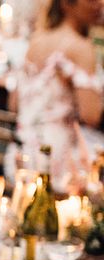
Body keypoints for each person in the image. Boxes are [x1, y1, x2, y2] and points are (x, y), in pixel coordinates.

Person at [11, 0, 104, 192]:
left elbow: (13, 104)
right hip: (59, 161)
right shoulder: (81, 47)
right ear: (67, 4)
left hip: (20, 155)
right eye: (91, 0)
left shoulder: (36, 41)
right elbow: (91, 116)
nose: (99, 4)